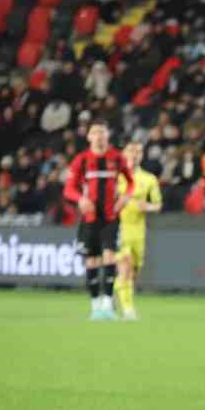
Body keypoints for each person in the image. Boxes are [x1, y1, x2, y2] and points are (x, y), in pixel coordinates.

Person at [63, 122, 133, 321]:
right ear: (89, 137)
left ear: (108, 136)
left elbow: (131, 182)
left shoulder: (117, 158)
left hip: (111, 217)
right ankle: (95, 307)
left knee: (110, 257)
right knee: (92, 260)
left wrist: (126, 197)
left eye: (102, 132)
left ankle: (107, 304)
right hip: (90, 218)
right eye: (95, 133)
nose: (99, 136)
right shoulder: (82, 160)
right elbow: (68, 188)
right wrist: (81, 199)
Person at [114, 141, 163, 320]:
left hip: (139, 231)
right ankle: (128, 311)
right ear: (124, 154)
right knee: (125, 268)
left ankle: (111, 293)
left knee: (133, 273)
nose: (134, 155)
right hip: (120, 228)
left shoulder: (149, 179)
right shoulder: (116, 176)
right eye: (130, 151)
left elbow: (158, 205)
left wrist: (147, 207)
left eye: (138, 152)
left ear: (141, 156)